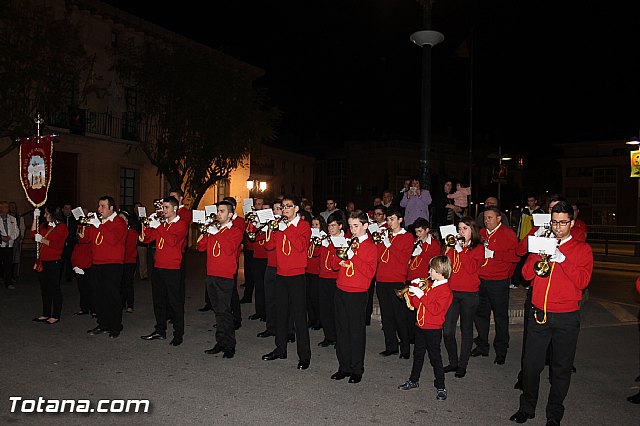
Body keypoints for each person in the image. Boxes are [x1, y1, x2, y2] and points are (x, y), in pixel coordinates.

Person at [510, 201, 593, 425]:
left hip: (567, 316)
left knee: (560, 368)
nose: (558, 227)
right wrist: (539, 251)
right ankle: (527, 408)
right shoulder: (541, 244)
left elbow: (583, 281)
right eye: (554, 222)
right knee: (531, 365)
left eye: (563, 223)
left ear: (572, 223)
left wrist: (563, 259)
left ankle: (554, 413)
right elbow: (526, 276)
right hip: (539, 314)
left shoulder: (582, 248)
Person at [262, 195, 312, 371]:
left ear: (296, 208)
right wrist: (271, 230)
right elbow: (269, 247)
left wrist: (286, 228)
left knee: (299, 316)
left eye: (288, 207)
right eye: (283, 207)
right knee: (280, 313)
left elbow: (300, 246)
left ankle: (304, 355)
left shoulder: (304, 225)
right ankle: (280, 348)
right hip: (281, 274)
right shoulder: (280, 226)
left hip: (297, 275)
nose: (284, 210)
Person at [330, 211, 377, 384]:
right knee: (341, 331)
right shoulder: (349, 242)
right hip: (341, 290)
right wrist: (340, 258)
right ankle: (344, 367)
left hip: (357, 293)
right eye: (350, 226)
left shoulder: (370, 247)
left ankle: (357, 369)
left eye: (356, 226)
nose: (353, 230)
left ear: (365, 226)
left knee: (356, 332)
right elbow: (334, 265)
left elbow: (369, 272)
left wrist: (352, 257)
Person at [397, 255, 453, 401]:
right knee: (418, 355)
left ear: (440, 271)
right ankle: (413, 380)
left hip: (433, 329)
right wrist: (413, 290)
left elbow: (435, 309)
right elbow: (416, 305)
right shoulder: (430, 285)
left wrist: (421, 294)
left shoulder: (445, 291)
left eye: (432, 269)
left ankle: (441, 386)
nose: (429, 272)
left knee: (436, 358)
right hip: (420, 326)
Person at [472, 206, 519, 364]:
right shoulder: (482, 233)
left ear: (499, 218)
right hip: (481, 280)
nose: (486, 221)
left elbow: (516, 256)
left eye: (490, 218)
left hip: (498, 281)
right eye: (485, 218)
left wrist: (496, 255)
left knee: (500, 317)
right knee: (481, 315)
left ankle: (501, 350)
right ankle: (482, 345)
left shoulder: (508, 234)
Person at [139, 196, 189, 346]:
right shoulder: (163, 224)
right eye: (162, 207)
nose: (163, 210)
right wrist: (147, 224)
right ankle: (160, 330)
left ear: (175, 208)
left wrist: (158, 226)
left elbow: (173, 241)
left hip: (172, 268)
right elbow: (146, 239)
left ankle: (178, 334)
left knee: (175, 303)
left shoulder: (181, 224)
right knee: (158, 301)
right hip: (158, 267)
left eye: (166, 207)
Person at [198, 200, 244, 358]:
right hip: (211, 274)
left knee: (225, 311)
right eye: (218, 211)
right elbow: (200, 247)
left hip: (225, 276)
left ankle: (230, 345)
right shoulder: (213, 230)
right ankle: (220, 341)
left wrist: (216, 232)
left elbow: (230, 248)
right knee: (217, 311)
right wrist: (205, 232)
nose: (218, 214)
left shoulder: (235, 231)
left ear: (230, 214)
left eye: (222, 211)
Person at [442, 216, 485, 378]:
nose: (461, 232)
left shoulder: (478, 248)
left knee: (467, 330)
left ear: (472, 231)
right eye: (459, 229)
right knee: (447, 331)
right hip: (452, 292)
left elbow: (473, 268)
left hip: (469, 294)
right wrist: (447, 250)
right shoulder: (454, 246)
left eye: (464, 229)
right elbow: (446, 266)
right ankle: (453, 362)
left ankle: (462, 364)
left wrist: (461, 251)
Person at [82, 195, 128, 338]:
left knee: (112, 295)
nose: (99, 209)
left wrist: (99, 225)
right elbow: (84, 239)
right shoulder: (98, 222)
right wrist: (85, 225)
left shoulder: (119, 222)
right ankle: (102, 323)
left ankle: (115, 325)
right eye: (99, 206)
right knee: (98, 295)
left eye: (102, 206)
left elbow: (113, 239)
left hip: (113, 264)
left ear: (111, 208)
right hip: (97, 263)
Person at [375, 208, 414, 358]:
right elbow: (378, 256)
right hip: (382, 278)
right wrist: (380, 242)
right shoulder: (385, 236)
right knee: (386, 316)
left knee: (399, 315)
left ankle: (405, 348)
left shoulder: (407, 237)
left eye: (392, 219)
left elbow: (403, 258)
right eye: (388, 220)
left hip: (396, 280)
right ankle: (390, 345)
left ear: (400, 220)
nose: (389, 223)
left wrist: (389, 244)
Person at [30, 205, 68, 324]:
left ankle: (55, 314)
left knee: (54, 288)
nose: (44, 215)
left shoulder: (62, 228)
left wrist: (41, 240)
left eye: (47, 213)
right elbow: (32, 233)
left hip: (54, 261)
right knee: (44, 288)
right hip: (42, 261)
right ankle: (46, 313)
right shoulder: (43, 225)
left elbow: (57, 245)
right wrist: (35, 218)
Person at [317, 211, 344, 347]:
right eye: (329, 226)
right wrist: (318, 243)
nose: (330, 228)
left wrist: (331, 246)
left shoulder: (343, 241)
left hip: (335, 279)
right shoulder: (326, 239)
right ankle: (329, 336)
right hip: (323, 277)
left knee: (336, 311)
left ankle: (339, 338)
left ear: (340, 226)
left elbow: (339, 260)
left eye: (333, 226)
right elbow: (315, 254)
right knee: (325, 309)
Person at [71, 209, 93, 316]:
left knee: (91, 287)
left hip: (89, 262)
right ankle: (84, 307)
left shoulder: (91, 227)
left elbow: (86, 237)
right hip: (81, 260)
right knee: (82, 287)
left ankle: (93, 309)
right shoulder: (79, 242)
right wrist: (75, 265)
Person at [306, 215, 326, 330]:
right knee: (308, 297)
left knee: (316, 298)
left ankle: (319, 320)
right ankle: (312, 319)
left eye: (316, 225)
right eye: (312, 225)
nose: (314, 227)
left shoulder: (322, 238)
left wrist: (317, 241)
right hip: (308, 270)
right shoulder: (309, 237)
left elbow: (317, 253)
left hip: (317, 272)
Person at [407, 218, 442, 284]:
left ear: (427, 230)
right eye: (416, 232)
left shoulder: (434, 244)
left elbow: (435, 264)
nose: (417, 234)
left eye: (420, 231)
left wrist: (422, 252)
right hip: (411, 278)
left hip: (425, 280)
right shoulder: (413, 241)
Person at [119, 210, 139, 313]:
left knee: (128, 283)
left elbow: (129, 246)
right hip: (119, 260)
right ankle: (121, 303)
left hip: (129, 260)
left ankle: (130, 304)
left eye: (122, 218)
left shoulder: (132, 232)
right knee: (120, 283)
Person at [0, 201, 20, 289]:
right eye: (4, 207)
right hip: (0, 244)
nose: (6, 208)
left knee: (8, 264)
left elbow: (17, 231)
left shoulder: (12, 219)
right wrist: (2, 238)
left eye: (7, 207)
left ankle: (8, 282)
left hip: (9, 245)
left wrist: (10, 237)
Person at [8, 202, 25, 286]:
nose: (13, 208)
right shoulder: (6, 217)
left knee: (15, 257)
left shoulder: (19, 217)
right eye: (11, 207)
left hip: (16, 239)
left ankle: (14, 275)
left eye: (14, 207)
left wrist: (21, 237)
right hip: (7, 239)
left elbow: (22, 227)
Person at [61, 204, 78, 282]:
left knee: (70, 260)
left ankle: (69, 275)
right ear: (63, 210)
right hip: (62, 243)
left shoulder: (75, 220)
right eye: (66, 208)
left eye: (69, 208)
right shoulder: (60, 220)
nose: (67, 210)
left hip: (72, 242)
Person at [133, 202, 149, 280]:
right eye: (136, 207)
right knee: (132, 259)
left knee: (143, 258)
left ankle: (144, 274)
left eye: (139, 207)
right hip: (133, 241)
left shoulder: (144, 218)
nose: (138, 209)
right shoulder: (132, 218)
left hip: (141, 242)